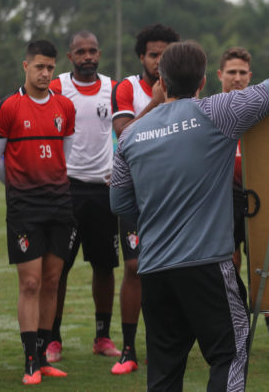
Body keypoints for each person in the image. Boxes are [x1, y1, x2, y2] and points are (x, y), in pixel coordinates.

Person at [110, 40, 269, 392]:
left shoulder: (131, 134)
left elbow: (119, 204)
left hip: (155, 269)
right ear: (203, 80)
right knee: (231, 351)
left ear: (160, 81)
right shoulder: (217, 110)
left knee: (163, 369)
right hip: (207, 265)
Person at [0, 40, 74, 385]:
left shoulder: (65, 107)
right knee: (31, 282)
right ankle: (29, 361)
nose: (45, 73)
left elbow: (63, 155)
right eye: (39, 66)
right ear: (25, 66)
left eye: (50, 68)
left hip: (60, 204)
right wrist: (18, 187)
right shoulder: (7, 107)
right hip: (24, 207)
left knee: (52, 281)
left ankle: (42, 355)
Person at [218, 46, 269, 361]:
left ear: (251, 77)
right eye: (231, 73)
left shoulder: (260, 109)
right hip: (221, 200)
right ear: (219, 76)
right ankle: (234, 336)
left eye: (242, 73)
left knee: (264, 267)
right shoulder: (209, 109)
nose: (237, 78)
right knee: (228, 266)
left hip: (257, 198)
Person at [44, 30, 121, 364]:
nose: (88, 56)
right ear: (69, 56)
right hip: (67, 188)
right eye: (81, 51)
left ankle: (102, 336)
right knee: (58, 268)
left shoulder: (114, 89)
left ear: (99, 54)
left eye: (93, 51)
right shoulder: (58, 87)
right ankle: (52, 338)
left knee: (105, 266)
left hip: (104, 190)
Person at [109, 23, 179, 375]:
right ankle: (128, 348)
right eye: (154, 55)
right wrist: (155, 101)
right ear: (142, 56)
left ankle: (162, 346)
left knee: (168, 271)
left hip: (173, 194)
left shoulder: (184, 89)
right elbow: (125, 135)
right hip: (138, 194)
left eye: (166, 55)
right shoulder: (127, 88)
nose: (159, 61)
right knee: (135, 268)